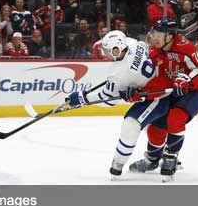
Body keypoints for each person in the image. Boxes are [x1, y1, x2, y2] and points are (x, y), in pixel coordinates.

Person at [66, 30, 172, 178]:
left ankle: (118, 164)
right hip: (161, 83)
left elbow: (108, 99)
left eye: (109, 51)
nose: (107, 54)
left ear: (117, 49)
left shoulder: (117, 74)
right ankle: (166, 155)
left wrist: (83, 98)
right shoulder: (132, 43)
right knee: (157, 130)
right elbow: (146, 48)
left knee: (131, 125)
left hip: (156, 96)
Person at [129, 17, 198, 180]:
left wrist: (188, 79)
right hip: (173, 91)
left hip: (195, 91)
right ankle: (152, 159)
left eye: (160, 34)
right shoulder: (155, 52)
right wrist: (138, 91)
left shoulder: (184, 47)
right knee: (156, 127)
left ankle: (171, 156)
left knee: (175, 119)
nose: (155, 37)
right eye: (154, 33)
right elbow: (156, 80)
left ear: (170, 36)